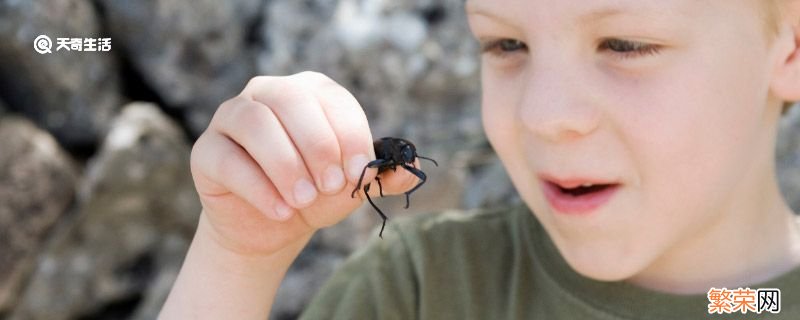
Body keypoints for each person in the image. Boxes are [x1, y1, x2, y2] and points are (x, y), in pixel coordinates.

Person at [159, 0, 800, 318]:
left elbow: (742, 303)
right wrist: (240, 258)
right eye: (505, 43)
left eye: (625, 44)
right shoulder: (421, 290)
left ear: (791, 47)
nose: (541, 115)